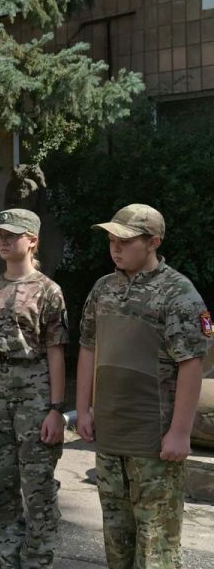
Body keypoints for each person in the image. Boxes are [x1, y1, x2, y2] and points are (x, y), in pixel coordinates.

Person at [76, 204, 212, 568]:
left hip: (154, 443)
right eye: (111, 240)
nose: (115, 248)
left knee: (157, 550)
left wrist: (181, 433)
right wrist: (84, 409)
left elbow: (192, 364)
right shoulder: (104, 289)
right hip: (110, 437)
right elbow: (88, 346)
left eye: (125, 240)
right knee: (117, 543)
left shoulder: (179, 293)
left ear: (153, 242)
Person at [0, 209, 68, 568]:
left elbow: (56, 351)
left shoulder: (49, 291)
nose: (3, 241)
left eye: (11, 234)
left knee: (38, 485)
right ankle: (8, 556)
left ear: (32, 240)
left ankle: (39, 559)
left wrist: (56, 408)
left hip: (34, 393)